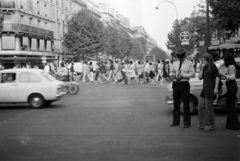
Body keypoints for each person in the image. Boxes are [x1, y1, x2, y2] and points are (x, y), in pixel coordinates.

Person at [170, 48, 195, 128]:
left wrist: (183, 75)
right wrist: (173, 75)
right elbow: (171, 72)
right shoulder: (175, 63)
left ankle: (186, 122)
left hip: (184, 84)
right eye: (179, 58)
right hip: (176, 84)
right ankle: (175, 121)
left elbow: (193, 74)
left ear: (184, 56)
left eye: (181, 57)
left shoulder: (189, 63)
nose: (180, 59)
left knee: (186, 104)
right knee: (176, 104)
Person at [198, 53, 219, 131]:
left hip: (210, 89)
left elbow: (217, 77)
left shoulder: (213, 67)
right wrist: (202, 68)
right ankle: (202, 125)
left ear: (208, 60)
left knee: (208, 109)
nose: (203, 62)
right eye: (202, 60)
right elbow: (199, 77)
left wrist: (216, 88)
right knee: (200, 107)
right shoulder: (204, 67)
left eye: (204, 60)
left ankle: (210, 125)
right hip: (204, 89)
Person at [219, 53, 240, 130]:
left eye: (224, 59)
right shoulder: (231, 66)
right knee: (230, 106)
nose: (224, 61)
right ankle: (230, 124)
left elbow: (232, 77)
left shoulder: (231, 66)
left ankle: (234, 125)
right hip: (231, 86)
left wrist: (224, 75)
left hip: (231, 86)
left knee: (231, 106)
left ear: (227, 60)